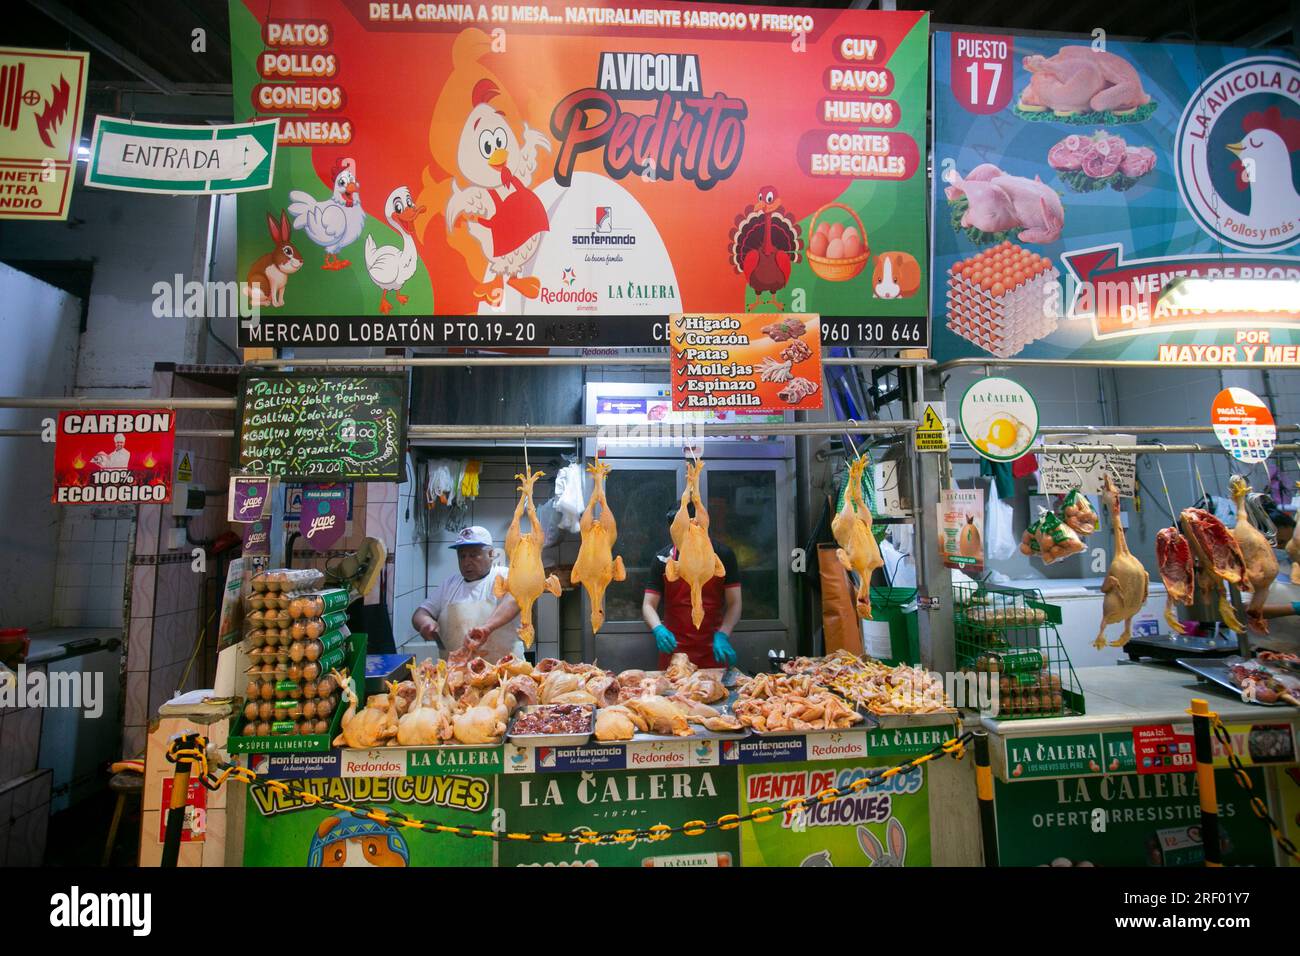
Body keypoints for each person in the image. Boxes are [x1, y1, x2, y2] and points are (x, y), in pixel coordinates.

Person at [641, 506, 742, 669]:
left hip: (713, 649)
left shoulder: (723, 555)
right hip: (673, 651)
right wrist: (658, 629)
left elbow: (735, 603)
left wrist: (723, 634)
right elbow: (648, 604)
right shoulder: (662, 558)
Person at [411, 526, 523, 661]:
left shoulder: (504, 575)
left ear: (491, 554)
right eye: (462, 556)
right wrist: (425, 622)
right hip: (457, 675)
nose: (466, 562)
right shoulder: (450, 584)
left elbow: (516, 598)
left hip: (505, 672)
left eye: (473, 555)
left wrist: (487, 629)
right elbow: (420, 613)